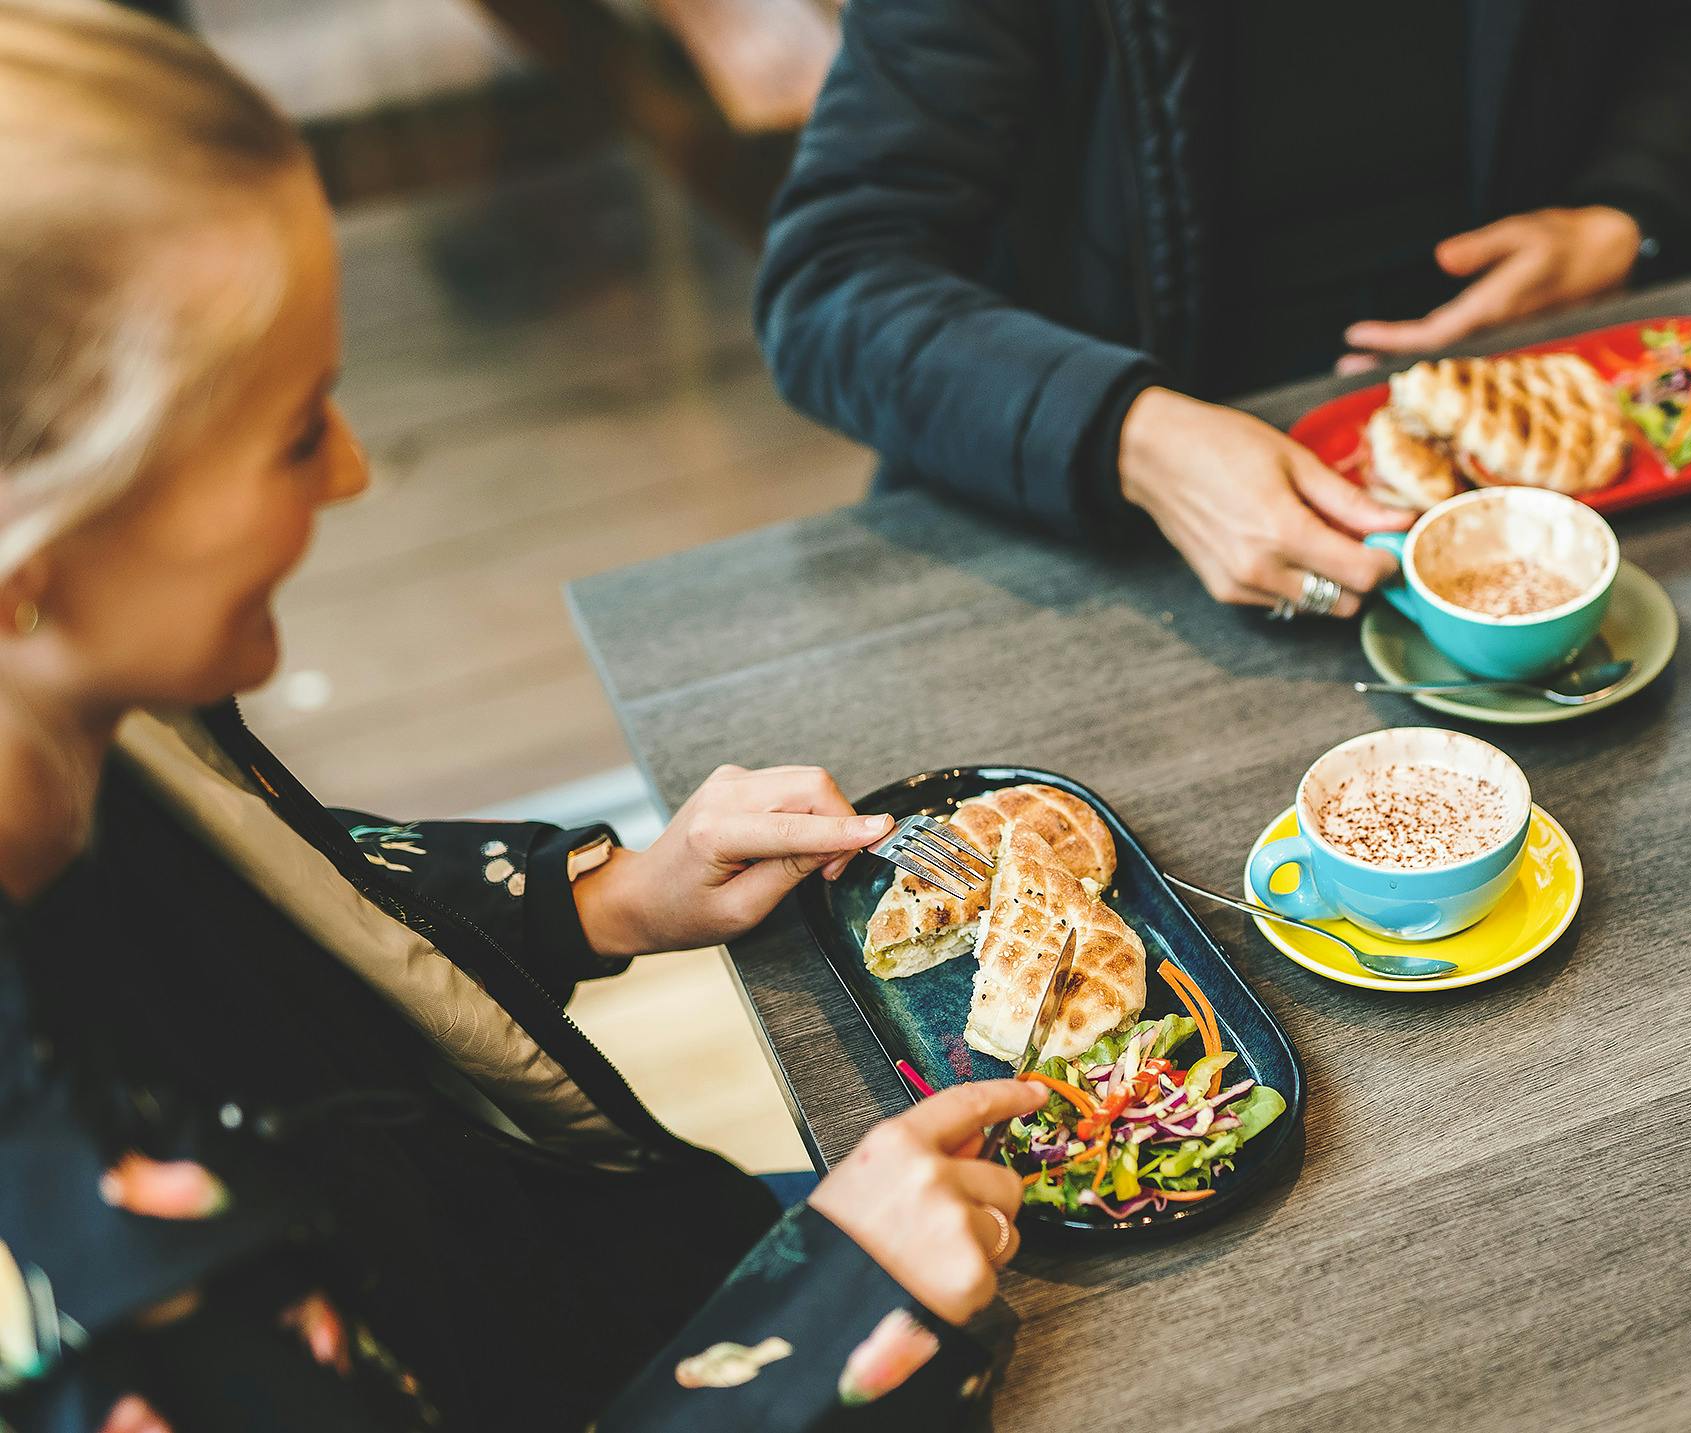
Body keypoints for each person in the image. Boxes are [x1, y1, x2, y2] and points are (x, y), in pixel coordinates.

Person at [0, 2, 1044, 1428]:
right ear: (33, 560)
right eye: (297, 428)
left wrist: (609, 899)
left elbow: (278, 913)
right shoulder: (79, 1299)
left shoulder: (82, 713)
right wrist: (820, 1327)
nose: (356, 473)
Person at [755, 1, 1691, 619]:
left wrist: (1628, 212)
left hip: (1546, 485)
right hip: (1118, 540)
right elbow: (833, 278)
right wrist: (1128, 432)